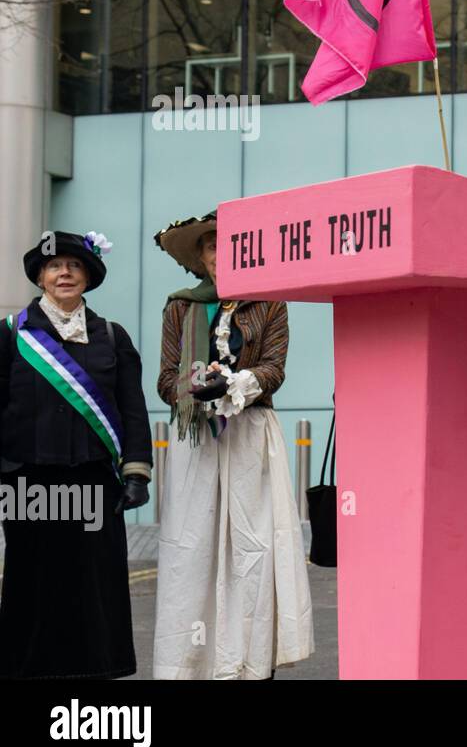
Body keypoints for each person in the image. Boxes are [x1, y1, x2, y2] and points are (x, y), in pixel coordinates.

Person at [152, 211, 313, 679]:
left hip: (250, 436)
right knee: (194, 550)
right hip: (197, 439)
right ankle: (191, 665)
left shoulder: (270, 303)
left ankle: (252, 663)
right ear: (201, 259)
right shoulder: (180, 307)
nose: (222, 255)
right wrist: (192, 386)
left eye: (232, 245)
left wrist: (235, 385)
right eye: (211, 247)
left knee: (254, 548)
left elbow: (274, 369)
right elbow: (164, 378)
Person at [0, 230, 152, 678]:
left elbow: (132, 409)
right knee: (33, 580)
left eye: (74, 266)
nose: (64, 273)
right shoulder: (12, 335)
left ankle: (93, 672)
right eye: (54, 267)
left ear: (88, 276)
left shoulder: (111, 335)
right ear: (41, 277)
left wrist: (137, 472)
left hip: (93, 480)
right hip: (29, 479)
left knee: (95, 581)